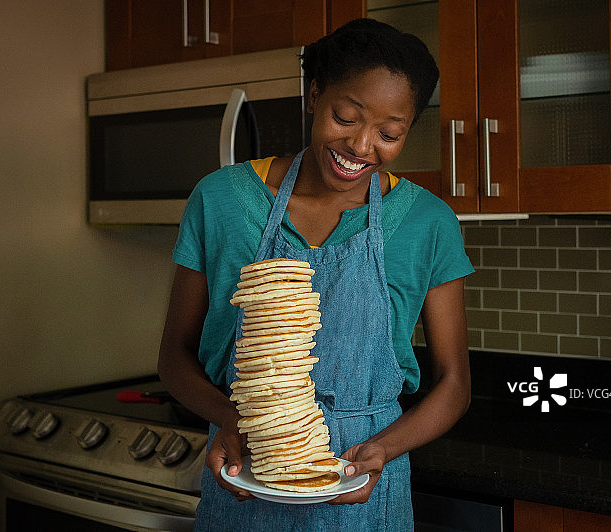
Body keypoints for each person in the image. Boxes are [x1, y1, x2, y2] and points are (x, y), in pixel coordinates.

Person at [158, 18, 474, 532]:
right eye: (346, 117)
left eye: (389, 134)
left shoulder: (428, 224)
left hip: (366, 493)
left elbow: (455, 385)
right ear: (314, 95)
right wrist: (238, 422)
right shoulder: (219, 201)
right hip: (245, 474)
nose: (361, 146)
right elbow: (174, 356)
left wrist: (381, 450)